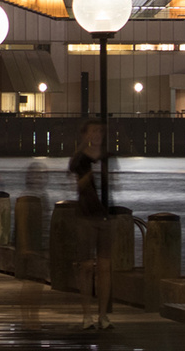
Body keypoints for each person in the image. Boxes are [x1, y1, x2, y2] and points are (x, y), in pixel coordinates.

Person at [69, 122, 115, 329]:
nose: (97, 135)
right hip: (85, 216)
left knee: (105, 267)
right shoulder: (79, 158)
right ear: (85, 134)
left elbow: (114, 183)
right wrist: (90, 174)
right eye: (93, 131)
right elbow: (76, 186)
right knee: (86, 266)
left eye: (100, 131)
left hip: (105, 215)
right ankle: (87, 315)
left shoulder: (107, 158)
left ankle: (103, 315)